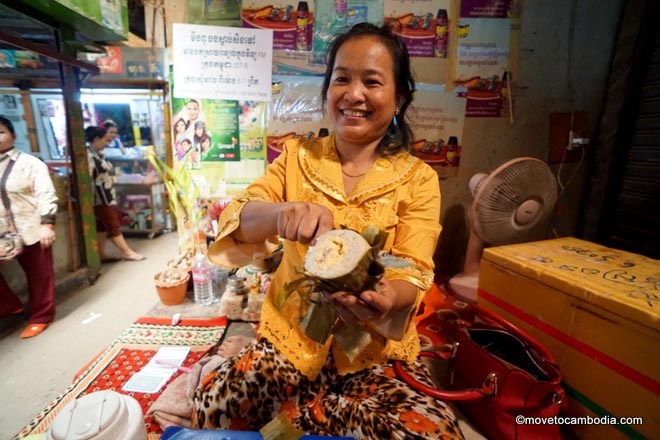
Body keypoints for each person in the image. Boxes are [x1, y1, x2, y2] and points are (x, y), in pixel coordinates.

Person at [194, 23, 464, 439]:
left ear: (400, 98)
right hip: (289, 343)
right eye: (342, 79)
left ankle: (304, 417)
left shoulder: (418, 178)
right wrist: (282, 212)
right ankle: (319, 415)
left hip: (375, 355)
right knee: (214, 411)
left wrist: (389, 298)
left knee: (434, 434)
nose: (354, 94)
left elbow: (413, 269)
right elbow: (238, 218)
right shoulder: (295, 157)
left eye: (372, 81)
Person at [0, 115, 58, 339]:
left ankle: (42, 316)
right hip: (3, 231)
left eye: (1, 132)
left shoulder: (31, 164)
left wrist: (47, 225)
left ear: (13, 136)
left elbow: (46, 194)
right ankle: (9, 304)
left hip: (30, 228)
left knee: (39, 275)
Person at [85, 126, 144, 262]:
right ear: (96, 139)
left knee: (101, 226)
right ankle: (128, 252)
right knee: (113, 225)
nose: (106, 144)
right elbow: (88, 178)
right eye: (105, 140)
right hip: (99, 197)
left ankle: (101, 253)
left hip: (106, 194)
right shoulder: (88, 157)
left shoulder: (99, 155)